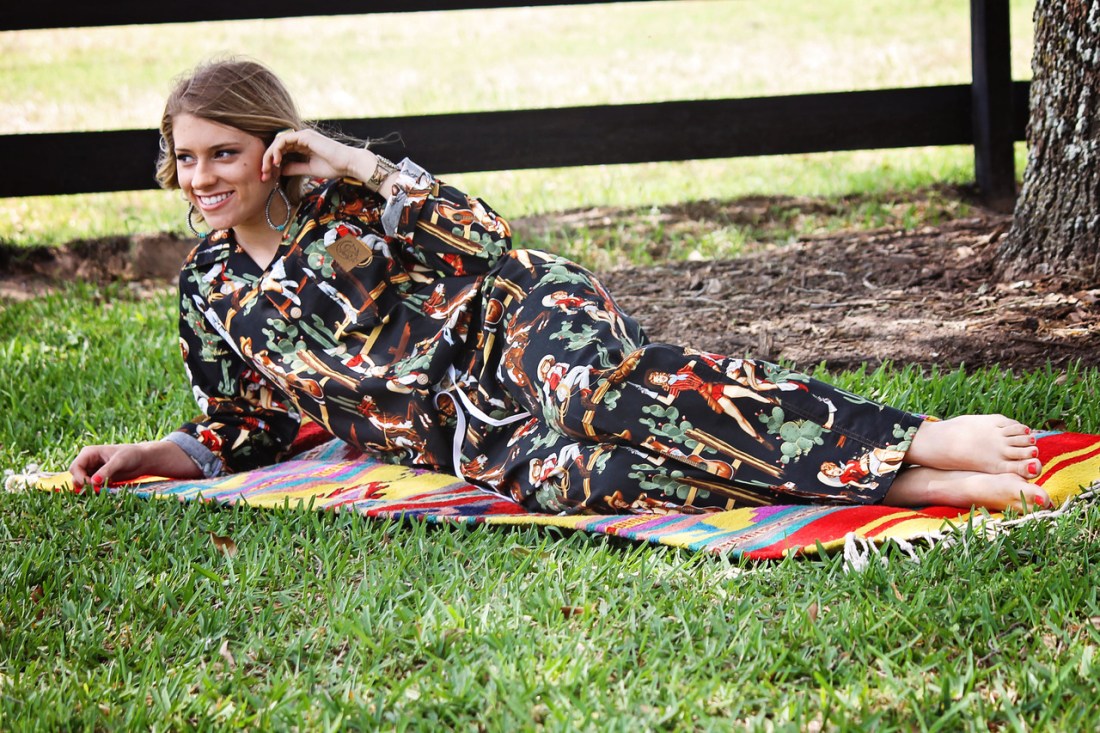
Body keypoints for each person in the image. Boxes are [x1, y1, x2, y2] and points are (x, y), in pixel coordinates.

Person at [70, 57, 1052, 514]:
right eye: (186, 156)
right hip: (467, 432)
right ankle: (907, 482)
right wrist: (154, 453)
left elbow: (483, 241)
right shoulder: (209, 289)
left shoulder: (344, 209)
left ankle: (915, 436)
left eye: (224, 152)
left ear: (270, 146)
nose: (202, 176)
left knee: (588, 396)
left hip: (519, 319)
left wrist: (350, 160)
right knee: (583, 476)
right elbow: (249, 424)